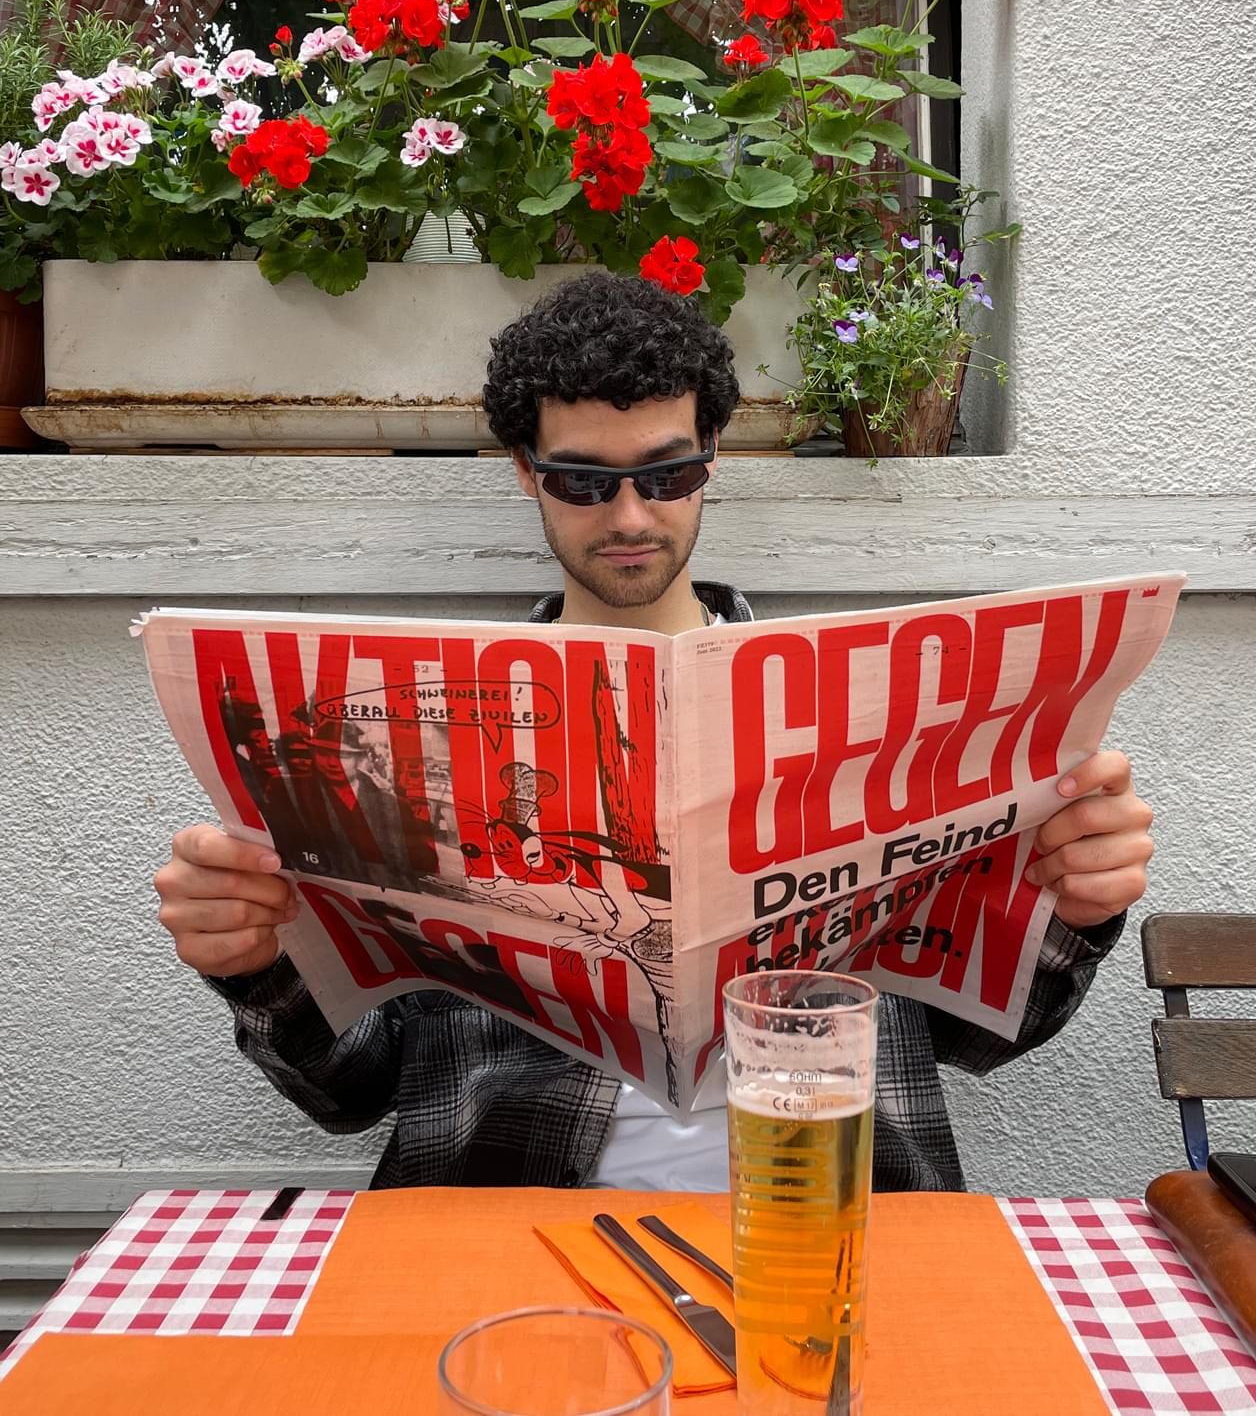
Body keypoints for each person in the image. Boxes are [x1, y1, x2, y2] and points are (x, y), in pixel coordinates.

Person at [153, 272, 1155, 1192]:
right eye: (583, 480)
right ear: (524, 472)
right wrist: (253, 963)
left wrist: (1072, 909)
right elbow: (350, 1093)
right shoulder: (415, 735)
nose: (631, 517)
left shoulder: (875, 719)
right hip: (507, 1225)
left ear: (711, 457)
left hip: (823, 1216)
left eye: (667, 474)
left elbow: (977, 1041)